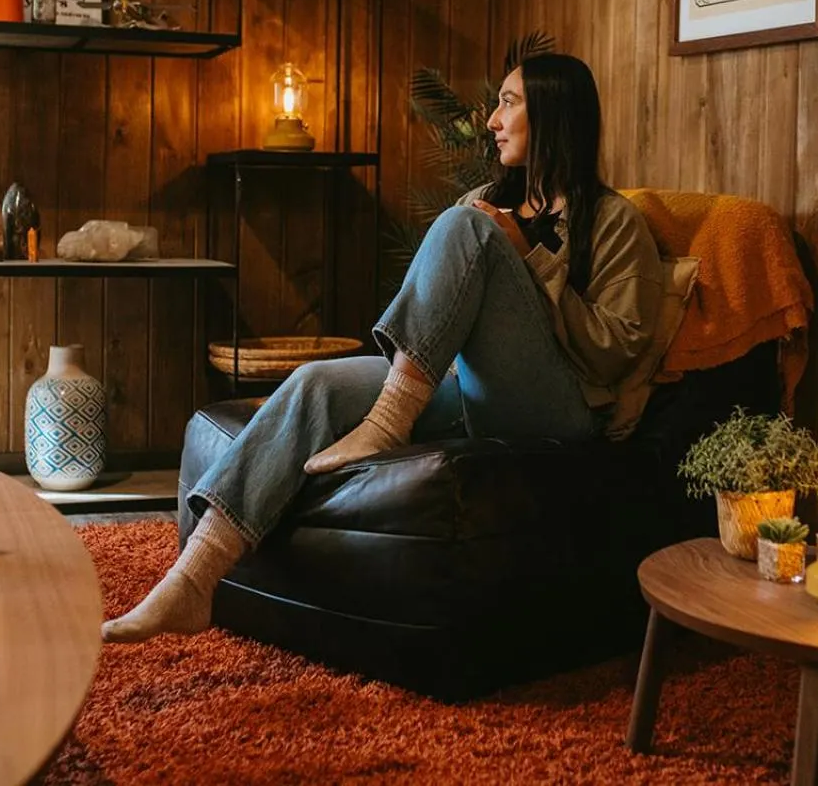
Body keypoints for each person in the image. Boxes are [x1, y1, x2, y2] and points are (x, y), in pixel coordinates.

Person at [102, 52, 667, 643]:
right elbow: (439, 305)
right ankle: (192, 581)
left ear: (554, 114)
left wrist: (524, 253)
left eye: (509, 102)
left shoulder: (613, 222)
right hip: (458, 385)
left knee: (464, 225)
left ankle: (390, 419)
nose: (493, 121)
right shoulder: (485, 197)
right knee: (315, 383)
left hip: (557, 406)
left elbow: (618, 349)